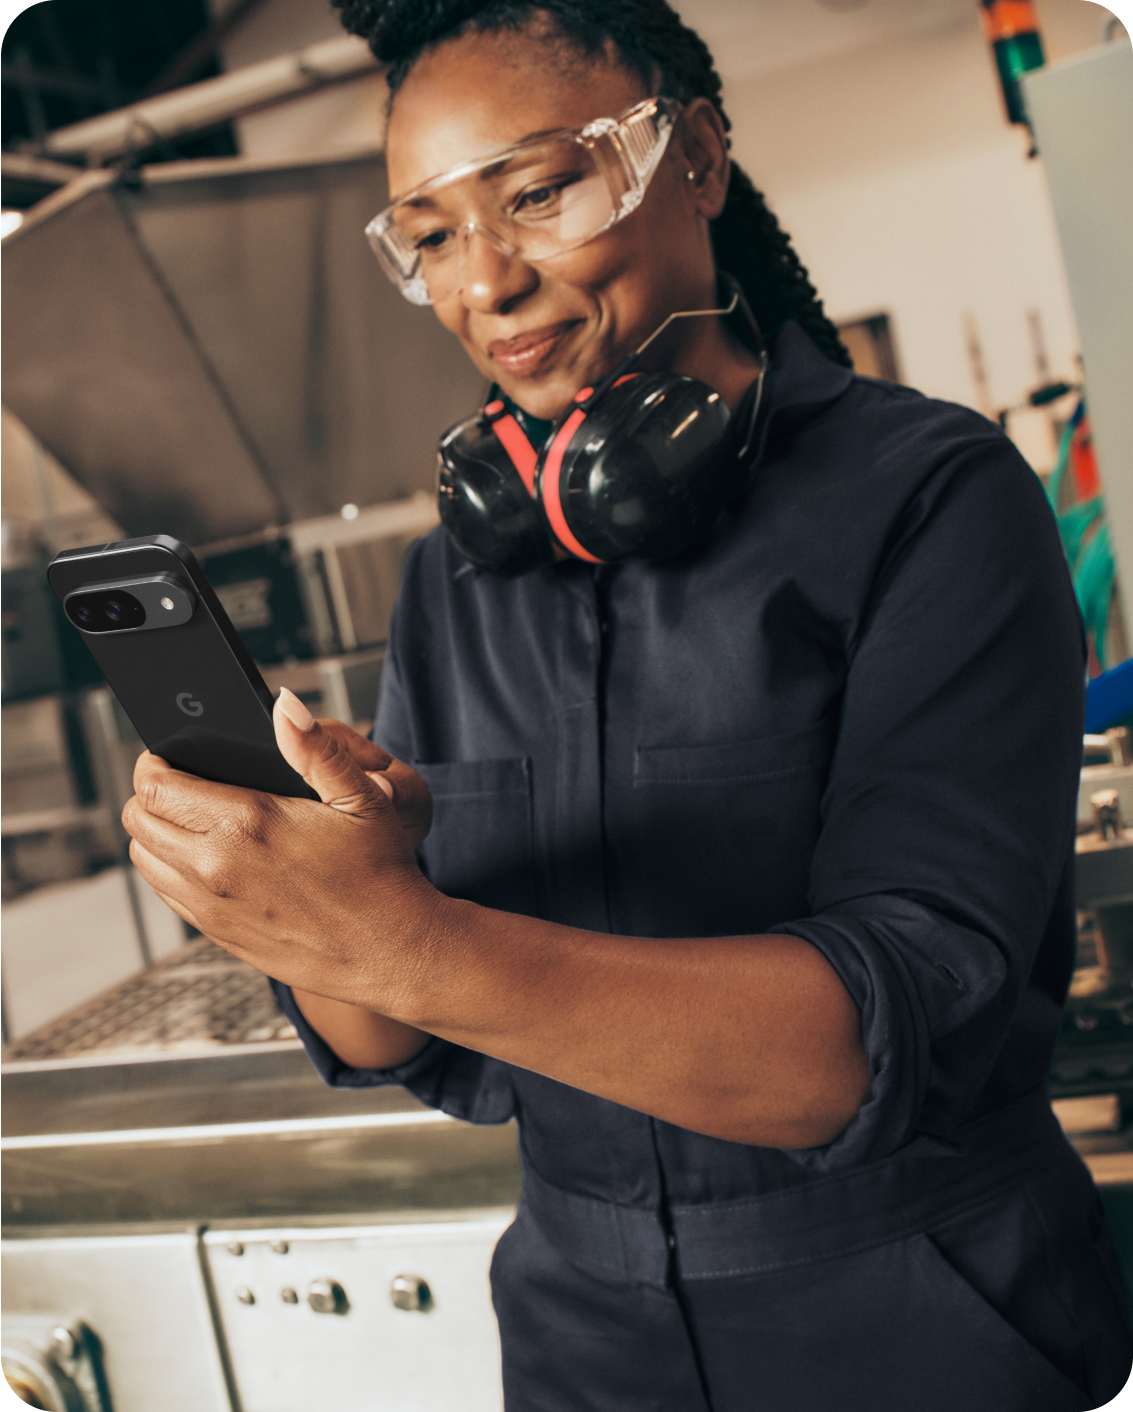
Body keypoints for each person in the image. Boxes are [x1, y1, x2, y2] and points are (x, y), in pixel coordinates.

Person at [122, 2, 1133, 1408]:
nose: (488, 281)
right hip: (581, 1340)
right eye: (428, 235)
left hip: (926, 1316)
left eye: (537, 193)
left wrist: (403, 936)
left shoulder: (929, 498)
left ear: (698, 159)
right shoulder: (455, 576)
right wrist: (312, 907)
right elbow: (400, 1042)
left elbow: (863, 1046)